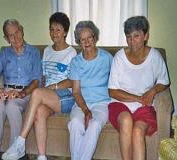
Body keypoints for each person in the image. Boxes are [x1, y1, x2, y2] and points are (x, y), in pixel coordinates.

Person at [2, 12, 77, 160]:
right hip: (49, 96)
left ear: (65, 32)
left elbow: (73, 81)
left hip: (66, 97)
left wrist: (52, 87)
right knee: (39, 113)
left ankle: (20, 142)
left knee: (37, 93)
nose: (54, 33)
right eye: (51, 29)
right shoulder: (47, 51)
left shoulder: (71, 52)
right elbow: (41, 76)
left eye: (58, 30)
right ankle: (42, 156)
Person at [108, 16, 170, 160]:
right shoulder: (119, 57)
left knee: (137, 131)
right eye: (128, 36)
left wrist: (153, 90)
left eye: (136, 36)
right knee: (126, 120)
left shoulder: (155, 57)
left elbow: (164, 81)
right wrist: (139, 98)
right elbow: (112, 91)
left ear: (146, 36)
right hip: (120, 104)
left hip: (144, 108)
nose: (132, 41)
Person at [0, 19, 42, 160]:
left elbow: (36, 80)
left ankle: (18, 150)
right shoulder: (4, 53)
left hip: (26, 93)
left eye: (17, 32)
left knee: (12, 106)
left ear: (22, 29)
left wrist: (21, 93)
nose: (16, 37)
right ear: (6, 38)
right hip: (7, 91)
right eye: (11, 35)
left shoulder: (34, 52)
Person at [68, 21, 113, 160]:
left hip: (102, 103)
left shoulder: (107, 58)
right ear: (79, 41)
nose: (87, 42)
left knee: (94, 125)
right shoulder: (76, 61)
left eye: (90, 37)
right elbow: (75, 91)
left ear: (95, 37)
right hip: (81, 103)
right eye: (82, 39)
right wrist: (86, 110)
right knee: (75, 123)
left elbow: (117, 82)